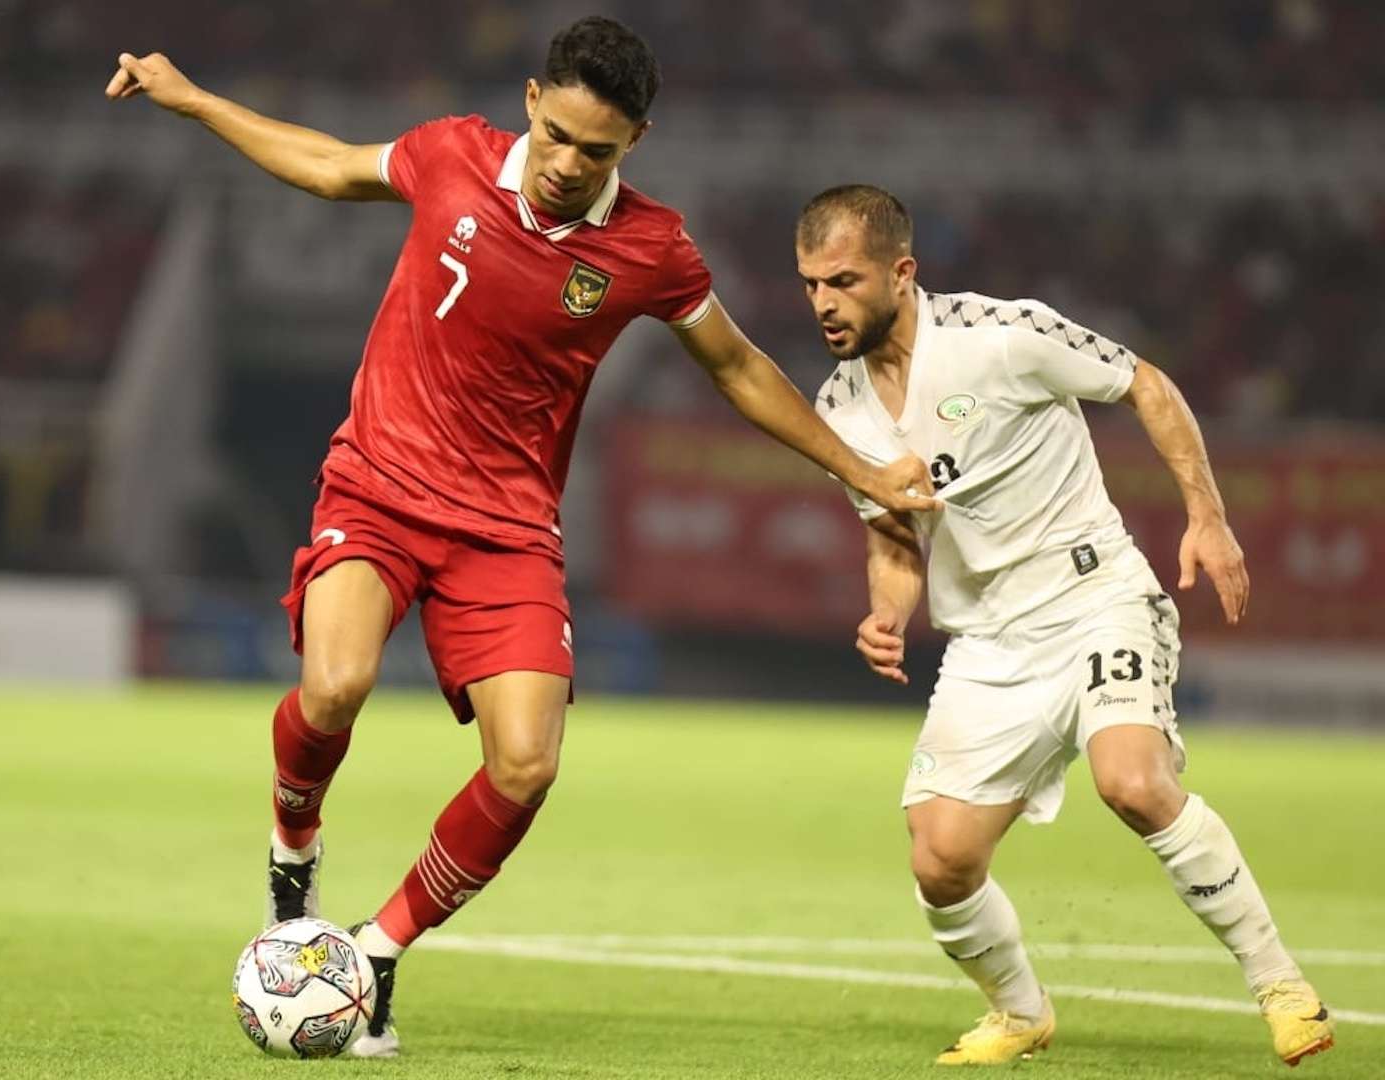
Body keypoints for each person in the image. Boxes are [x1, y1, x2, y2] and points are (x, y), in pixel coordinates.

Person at [109, 18, 936, 1057]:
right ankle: (292, 849)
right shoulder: (451, 153)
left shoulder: (650, 248)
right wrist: (195, 101)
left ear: (634, 142)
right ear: (534, 102)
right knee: (333, 688)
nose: (567, 165)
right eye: (560, 137)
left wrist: (858, 467)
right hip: (379, 485)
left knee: (527, 764)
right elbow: (325, 166)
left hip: (505, 530)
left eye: (598, 152)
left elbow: (736, 367)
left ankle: (372, 953)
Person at [797, 184, 1335, 1067]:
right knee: (939, 859)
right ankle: (1019, 1012)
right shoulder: (838, 409)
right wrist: (886, 612)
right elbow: (895, 535)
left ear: (901, 270)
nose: (823, 302)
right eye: (810, 283)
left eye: (843, 280)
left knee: (1131, 781)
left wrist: (1207, 514)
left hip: (1096, 600)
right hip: (989, 643)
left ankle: (1282, 987)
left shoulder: (1002, 335)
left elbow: (1147, 387)